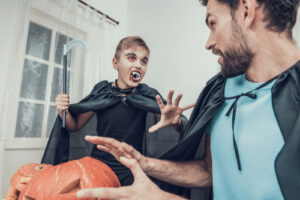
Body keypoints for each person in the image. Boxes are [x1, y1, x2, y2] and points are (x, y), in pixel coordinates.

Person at [76, 0, 300, 199]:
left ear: (246, 10)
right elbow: (209, 172)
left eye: (213, 23)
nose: (209, 43)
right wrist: (144, 164)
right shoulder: (218, 91)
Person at [41, 36, 193, 186]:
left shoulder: (147, 94)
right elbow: (73, 126)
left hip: (132, 169)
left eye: (144, 61)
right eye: (131, 58)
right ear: (116, 63)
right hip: (98, 167)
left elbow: (173, 123)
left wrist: (177, 122)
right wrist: (63, 111)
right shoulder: (103, 91)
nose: (139, 65)